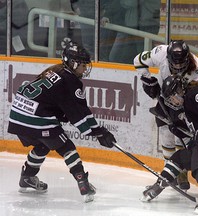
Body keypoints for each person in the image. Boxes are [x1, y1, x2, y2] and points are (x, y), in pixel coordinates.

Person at [7, 41, 116, 203]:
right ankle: (83, 183)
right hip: (36, 117)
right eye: (83, 65)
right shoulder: (71, 80)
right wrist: (98, 132)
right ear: (73, 63)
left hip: (17, 115)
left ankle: (27, 177)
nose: (85, 69)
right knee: (66, 147)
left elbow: (54, 102)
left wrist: (93, 130)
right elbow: (80, 112)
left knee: (44, 144)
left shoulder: (54, 70)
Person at [141, 75, 198, 215]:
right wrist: (181, 131)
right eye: (170, 99)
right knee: (178, 158)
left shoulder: (195, 94)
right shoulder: (180, 108)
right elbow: (190, 130)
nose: (173, 101)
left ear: (181, 90)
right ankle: (159, 185)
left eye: (174, 96)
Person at [134, 40, 198, 190]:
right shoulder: (159, 53)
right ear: (168, 57)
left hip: (185, 104)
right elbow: (138, 60)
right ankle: (169, 171)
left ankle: (180, 169)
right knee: (165, 136)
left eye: (181, 64)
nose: (177, 67)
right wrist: (148, 80)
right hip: (164, 100)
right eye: (174, 64)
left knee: (181, 137)